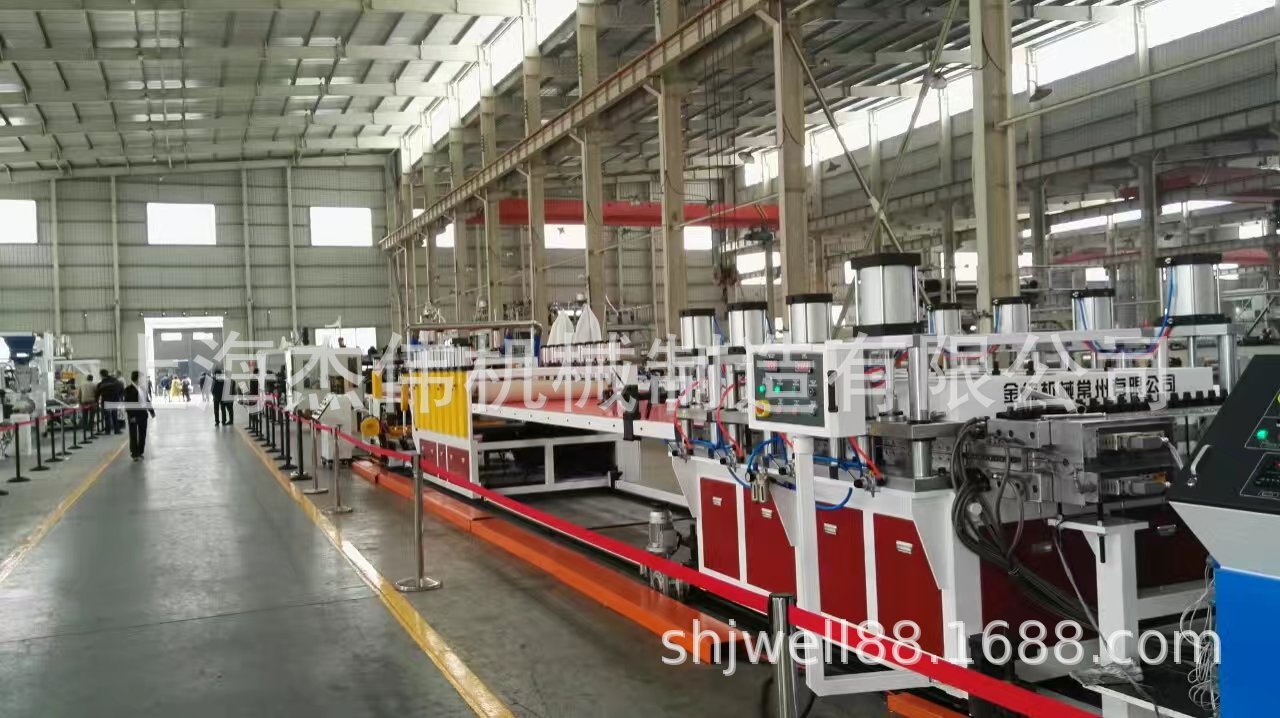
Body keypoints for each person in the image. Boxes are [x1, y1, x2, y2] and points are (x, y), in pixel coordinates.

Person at [123, 370, 155, 460]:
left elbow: (147, 401)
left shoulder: (143, 389)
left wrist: (151, 411)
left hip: (143, 414)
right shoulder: (128, 389)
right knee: (133, 435)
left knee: (142, 434)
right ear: (138, 379)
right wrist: (131, 416)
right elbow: (127, 404)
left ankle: (140, 452)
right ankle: (134, 454)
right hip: (133, 415)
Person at [97, 369, 124, 434]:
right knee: (114, 415)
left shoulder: (101, 383)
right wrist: (119, 397)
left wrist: (96, 400)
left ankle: (108, 431)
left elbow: (98, 393)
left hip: (106, 401)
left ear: (101, 375)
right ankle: (117, 430)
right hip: (115, 400)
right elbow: (122, 388)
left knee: (107, 416)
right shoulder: (115, 381)